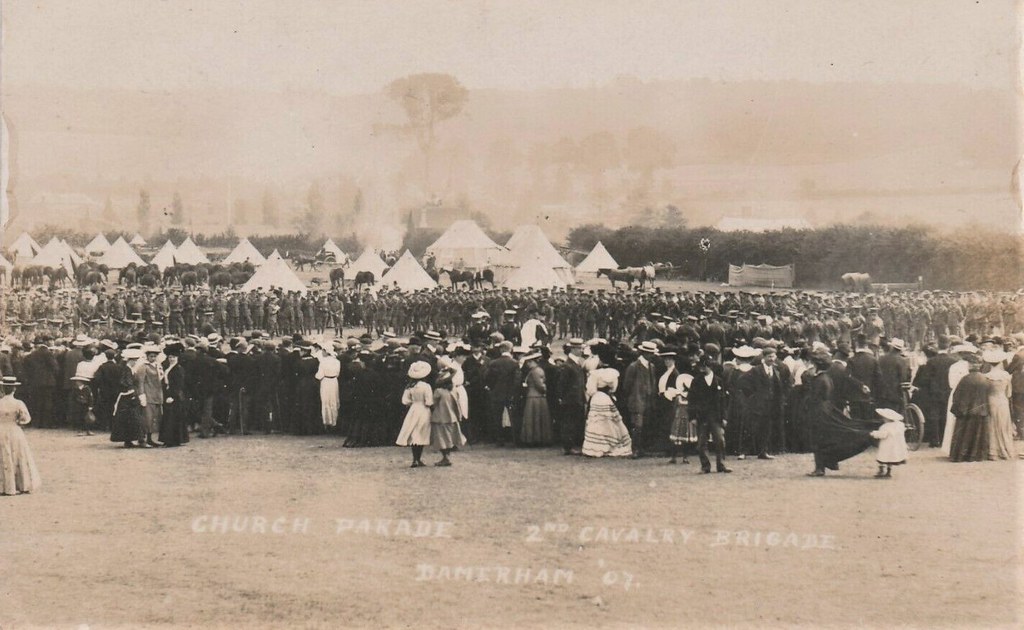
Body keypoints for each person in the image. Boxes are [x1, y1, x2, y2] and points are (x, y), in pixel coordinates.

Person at [806, 347, 876, 476]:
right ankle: (825, 464)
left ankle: (819, 468)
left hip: (818, 411)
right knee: (826, 437)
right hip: (827, 408)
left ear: (816, 364)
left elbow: (814, 397)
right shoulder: (826, 378)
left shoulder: (819, 379)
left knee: (818, 438)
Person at [688, 351, 732, 473]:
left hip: (716, 416)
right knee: (702, 443)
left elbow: (723, 401)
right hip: (701, 416)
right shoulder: (696, 381)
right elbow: (691, 400)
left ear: (710, 366)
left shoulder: (719, 381)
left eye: (706, 365)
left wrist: (724, 417)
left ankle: (721, 464)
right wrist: (692, 416)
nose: (703, 368)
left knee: (720, 440)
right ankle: (705, 466)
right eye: (702, 366)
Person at [0, 376, 42, 495]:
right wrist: (18, 421)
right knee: (18, 455)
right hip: (14, 430)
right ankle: (21, 484)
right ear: (14, 389)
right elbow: (26, 418)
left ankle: (4, 486)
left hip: (1, 430)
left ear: (3, 389)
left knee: (3, 455)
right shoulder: (18, 403)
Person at [581, 368, 633, 457]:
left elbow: (590, 390)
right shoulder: (610, 376)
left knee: (597, 422)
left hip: (596, 398)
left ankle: (596, 447)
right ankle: (606, 445)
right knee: (607, 422)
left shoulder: (595, 377)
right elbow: (613, 388)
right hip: (604, 398)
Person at [949, 353, 991, 461]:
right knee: (978, 435)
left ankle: (961, 455)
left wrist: (957, 409)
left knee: (964, 435)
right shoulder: (985, 379)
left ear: (970, 365)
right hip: (981, 411)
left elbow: (957, 395)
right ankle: (976, 455)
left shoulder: (965, 379)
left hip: (966, 411)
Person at [621, 340, 659, 459]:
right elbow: (626, 385)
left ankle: (642, 448)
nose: (652, 356)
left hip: (648, 400)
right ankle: (635, 449)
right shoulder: (633, 367)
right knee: (637, 426)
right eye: (651, 354)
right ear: (645, 353)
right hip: (636, 400)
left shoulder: (651, 366)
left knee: (645, 425)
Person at [397, 361, 433, 467]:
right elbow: (429, 401)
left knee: (414, 433)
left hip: (413, 409)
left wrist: (412, 402)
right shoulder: (426, 386)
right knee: (421, 433)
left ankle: (415, 459)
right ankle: (418, 459)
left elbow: (405, 400)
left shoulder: (410, 386)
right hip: (423, 410)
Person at [981, 349, 1016, 459]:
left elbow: (985, 392)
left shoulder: (986, 376)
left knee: (991, 424)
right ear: (1000, 362)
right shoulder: (1006, 376)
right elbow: (1009, 393)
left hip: (991, 400)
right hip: (1002, 401)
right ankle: (1005, 449)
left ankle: (993, 451)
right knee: (1003, 425)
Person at [430, 367, 466, 466]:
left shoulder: (438, 391)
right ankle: (447, 457)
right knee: (449, 438)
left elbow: (433, 403)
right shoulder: (453, 391)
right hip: (452, 417)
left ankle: (445, 458)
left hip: (440, 417)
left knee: (442, 438)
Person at [158, 342, 189, 447]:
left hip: (175, 396)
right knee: (169, 417)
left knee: (173, 418)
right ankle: (170, 439)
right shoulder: (167, 367)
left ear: (177, 357)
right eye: (170, 357)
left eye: (174, 357)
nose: (171, 359)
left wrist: (172, 396)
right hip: (167, 394)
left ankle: (173, 440)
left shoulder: (179, 369)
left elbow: (178, 385)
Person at [519, 352, 553, 446]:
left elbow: (540, 385)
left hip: (535, 397)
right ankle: (537, 438)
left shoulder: (536, 371)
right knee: (537, 419)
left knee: (533, 419)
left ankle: (534, 438)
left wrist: (544, 390)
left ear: (533, 362)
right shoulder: (535, 371)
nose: (527, 364)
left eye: (529, 362)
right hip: (537, 397)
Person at [870, 408, 908, 478]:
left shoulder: (885, 426)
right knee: (891, 459)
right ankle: (888, 472)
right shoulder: (900, 425)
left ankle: (881, 471)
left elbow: (882, 435)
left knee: (882, 458)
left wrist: (873, 433)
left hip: (886, 446)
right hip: (895, 446)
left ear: (887, 418)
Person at [315, 343, 340, 432]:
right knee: (334, 401)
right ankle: (334, 421)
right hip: (334, 381)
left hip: (325, 381)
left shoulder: (323, 362)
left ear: (326, 351)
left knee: (325, 401)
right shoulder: (337, 361)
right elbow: (337, 373)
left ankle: (326, 421)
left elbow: (319, 375)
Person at [68, 364, 96, 437]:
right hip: (78, 405)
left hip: (85, 405)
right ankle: (79, 430)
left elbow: (91, 397)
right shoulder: (75, 389)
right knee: (78, 418)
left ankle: (88, 430)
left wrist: (90, 405)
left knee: (87, 419)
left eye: (78, 381)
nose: (77, 382)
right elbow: (72, 397)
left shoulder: (87, 388)